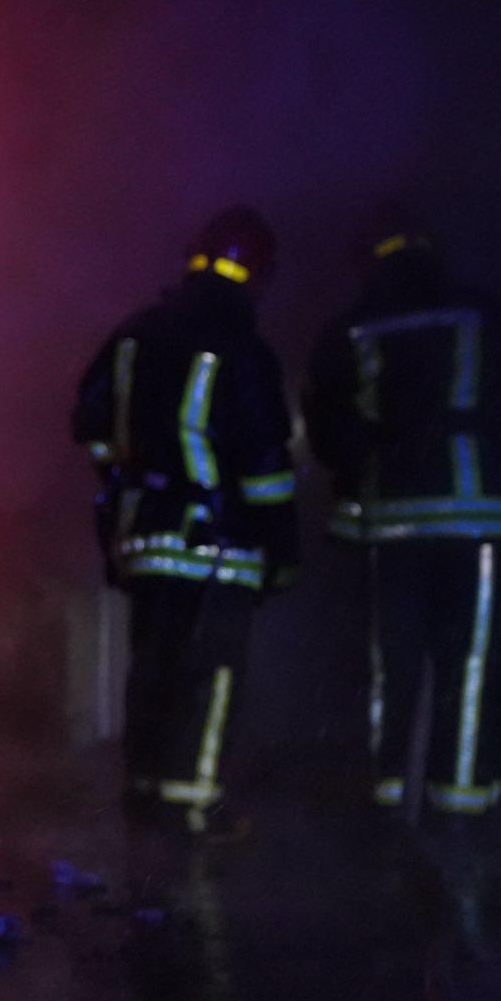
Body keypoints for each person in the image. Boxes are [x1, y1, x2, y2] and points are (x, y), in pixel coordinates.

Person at [71, 206, 299, 833]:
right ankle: (191, 808)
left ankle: (143, 796)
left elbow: (89, 430)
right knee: (211, 672)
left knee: (152, 668)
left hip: (143, 535)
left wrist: (132, 485)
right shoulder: (242, 345)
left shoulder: (132, 335)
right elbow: (264, 465)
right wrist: (282, 548)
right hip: (216, 541)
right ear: (256, 272)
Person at [306, 217, 501, 816]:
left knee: (392, 658)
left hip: (393, 519)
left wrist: (369, 461)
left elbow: (331, 429)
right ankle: (462, 795)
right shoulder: (484, 312)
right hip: (478, 512)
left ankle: (392, 788)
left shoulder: (350, 326)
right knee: (472, 658)